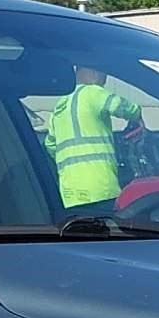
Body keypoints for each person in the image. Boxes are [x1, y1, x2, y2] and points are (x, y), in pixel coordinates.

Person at [42, 64, 141, 210]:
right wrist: (137, 114)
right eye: (104, 75)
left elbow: (50, 145)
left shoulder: (59, 107)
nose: (104, 81)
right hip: (100, 189)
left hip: (69, 195)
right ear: (94, 73)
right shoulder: (93, 93)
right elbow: (120, 106)